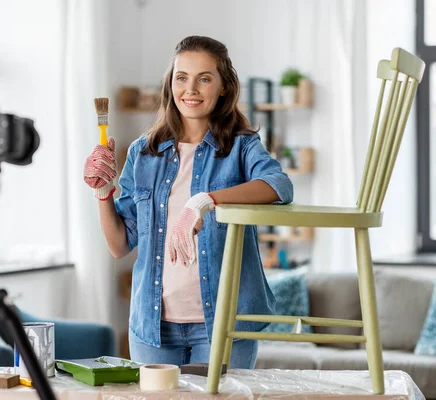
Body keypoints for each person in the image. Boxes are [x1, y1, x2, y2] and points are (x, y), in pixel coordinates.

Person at [83, 35, 293, 368]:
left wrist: (205, 200)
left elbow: (278, 185)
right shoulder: (143, 152)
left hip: (223, 326)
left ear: (223, 87)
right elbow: (119, 245)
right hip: (153, 329)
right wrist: (102, 191)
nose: (190, 89)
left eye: (204, 78)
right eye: (182, 78)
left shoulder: (241, 147)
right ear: (171, 84)